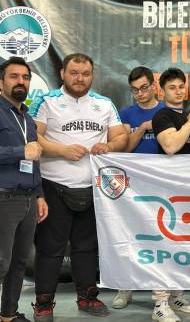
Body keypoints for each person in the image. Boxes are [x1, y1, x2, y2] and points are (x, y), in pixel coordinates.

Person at [29, 53, 128, 322]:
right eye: (74, 72)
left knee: (87, 247)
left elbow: (121, 136)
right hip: (53, 185)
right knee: (50, 248)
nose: (79, 78)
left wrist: (109, 145)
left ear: (92, 75)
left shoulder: (104, 103)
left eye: (85, 73)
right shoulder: (47, 100)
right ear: (62, 73)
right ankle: (43, 302)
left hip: (93, 187)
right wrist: (60, 150)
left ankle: (87, 297)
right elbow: (33, 135)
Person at [111, 66, 165, 310]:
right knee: (129, 235)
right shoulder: (126, 114)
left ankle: (168, 290)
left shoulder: (166, 111)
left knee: (163, 237)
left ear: (154, 85)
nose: (140, 94)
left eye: (144, 88)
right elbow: (123, 149)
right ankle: (125, 287)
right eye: (135, 90)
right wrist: (142, 128)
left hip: (161, 184)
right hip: (132, 185)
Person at [151, 67, 190, 322]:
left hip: (188, 192)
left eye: (181, 86)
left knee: (183, 245)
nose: (178, 91)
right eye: (172, 87)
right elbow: (170, 146)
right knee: (165, 247)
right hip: (168, 193)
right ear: (162, 91)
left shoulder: (189, 115)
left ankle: (176, 296)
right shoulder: (162, 115)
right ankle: (160, 303)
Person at [0, 57, 48, 322]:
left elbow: (35, 159)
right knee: (1, 262)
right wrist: (21, 151)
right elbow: (26, 153)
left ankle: (8, 314)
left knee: (19, 262)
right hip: (3, 197)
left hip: (28, 199)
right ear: (1, 82)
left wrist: (39, 194)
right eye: (14, 76)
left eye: (25, 77)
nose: (21, 81)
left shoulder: (28, 119)